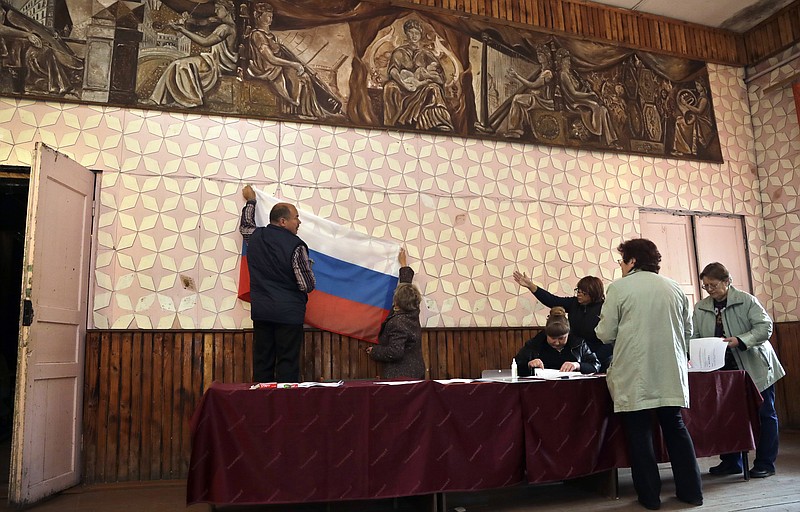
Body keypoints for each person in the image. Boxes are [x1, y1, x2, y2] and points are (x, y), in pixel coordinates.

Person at [595, 238, 702, 510]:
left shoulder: (619, 288)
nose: (620, 265)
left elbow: (605, 333)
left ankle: (650, 497)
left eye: (621, 260)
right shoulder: (675, 287)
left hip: (636, 370)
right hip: (669, 368)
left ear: (632, 261)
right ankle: (691, 493)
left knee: (639, 432)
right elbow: (688, 331)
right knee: (676, 428)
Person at [692, 262, 785, 478]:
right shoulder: (701, 307)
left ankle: (765, 463)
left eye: (713, 285)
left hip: (755, 366)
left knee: (765, 414)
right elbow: (694, 335)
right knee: (726, 415)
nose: (709, 290)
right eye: (705, 286)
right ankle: (731, 461)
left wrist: (740, 340)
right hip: (721, 370)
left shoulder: (746, 301)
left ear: (727, 281)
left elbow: (765, 328)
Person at [245, 192, 315, 383]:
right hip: (288, 314)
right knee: (287, 363)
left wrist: (251, 201)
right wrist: (308, 265)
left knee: (263, 363)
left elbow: (246, 226)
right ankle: (285, 407)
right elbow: (306, 285)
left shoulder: (255, 236)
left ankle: (262, 407)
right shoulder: (297, 246)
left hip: (262, 312)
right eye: (296, 218)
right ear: (283, 221)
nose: (299, 222)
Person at [513, 271, 611, 372]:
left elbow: (610, 341)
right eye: (578, 291)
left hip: (597, 356)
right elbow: (552, 300)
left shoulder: (605, 309)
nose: (579, 294)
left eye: (584, 293)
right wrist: (530, 286)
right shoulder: (574, 303)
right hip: (577, 352)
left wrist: (589, 360)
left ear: (594, 294)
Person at [245, 3, 329, 119]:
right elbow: (270, 58)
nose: (270, 19)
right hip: (268, 68)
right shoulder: (257, 35)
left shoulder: (271, 36)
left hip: (277, 66)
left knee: (304, 76)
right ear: (257, 16)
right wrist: (293, 64)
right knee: (299, 76)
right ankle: (298, 109)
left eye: (271, 15)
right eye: (267, 15)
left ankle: (306, 111)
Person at [148, 0, 237, 108]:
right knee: (177, 64)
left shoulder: (225, 28)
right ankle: (156, 100)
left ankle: (190, 100)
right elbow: (198, 24)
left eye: (218, 8)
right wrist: (187, 21)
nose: (215, 10)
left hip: (217, 64)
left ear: (227, 10)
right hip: (213, 59)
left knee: (180, 65)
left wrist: (182, 29)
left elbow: (205, 42)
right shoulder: (221, 23)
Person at [383, 18, 454, 132]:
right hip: (404, 87)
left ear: (421, 35)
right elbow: (393, 71)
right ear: (406, 33)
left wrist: (424, 80)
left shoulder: (427, 54)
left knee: (434, 88)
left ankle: (437, 122)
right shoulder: (399, 52)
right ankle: (393, 125)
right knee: (389, 86)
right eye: (411, 32)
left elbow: (440, 77)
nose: (414, 36)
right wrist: (404, 84)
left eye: (416, 33)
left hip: (422, 87)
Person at [366, 248, 425, 379]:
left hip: (400, 376)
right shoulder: (414, 311)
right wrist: (403, 265)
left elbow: (395, 352)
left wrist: (375, 351)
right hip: (416, 371)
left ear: (396, 303)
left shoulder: (398, 322)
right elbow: (407, 290)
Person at [555, 47, 619, 147]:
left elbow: (579, 91)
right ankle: (596, 131)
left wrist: (586, 89)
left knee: (604, 109)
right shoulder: (563, 74)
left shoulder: (570, 74)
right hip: (573, 102)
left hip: (579, 98)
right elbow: (573, 93)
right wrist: (590, 94)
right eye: (566, 60)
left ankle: (610, 140)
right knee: (595, 106)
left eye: (568, 60)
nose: (568, 63)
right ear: (561, 62)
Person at [513, 306, 600, 376]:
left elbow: (596, 365)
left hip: (574, 388)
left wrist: (577, 365)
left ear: (568, 334)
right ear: (546, 334)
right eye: (553, 338)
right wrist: (529, 364)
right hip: (541, 389)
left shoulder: (578, 344)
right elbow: (515, 367)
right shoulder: (534, 345)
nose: (557, 342)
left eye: (561, 338)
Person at [499, 44, 555, 138]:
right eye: (538, 55)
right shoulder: (542, 71)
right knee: (521, 98)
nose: (539, 57)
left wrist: (517, 76)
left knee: (517, 99)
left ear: (547, 57)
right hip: (538, 99)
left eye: (541, 55)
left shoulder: (547, 73)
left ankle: (514, 130)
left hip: (544, 102)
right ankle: (517, 129)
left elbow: (533, 85)